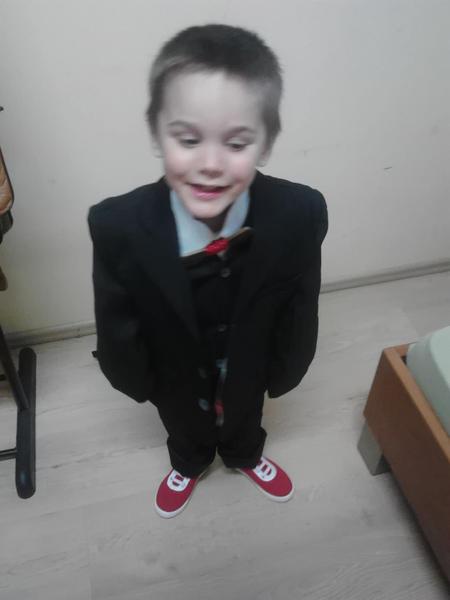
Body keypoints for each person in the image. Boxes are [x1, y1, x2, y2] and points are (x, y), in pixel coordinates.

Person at [88, 24, 328, 518]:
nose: (211, 164)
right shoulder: (117, 226)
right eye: (188, 138)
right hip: (172, 365)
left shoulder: (300, 213)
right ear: (157, 133)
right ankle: (189, 459)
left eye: (237, 143)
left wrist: (286, 369)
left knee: (245, 408)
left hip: (250, 357)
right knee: (181, 416)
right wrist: (137, 381)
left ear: (266, 142)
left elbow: (302, 302)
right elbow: (116, 321)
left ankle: (245, 452)